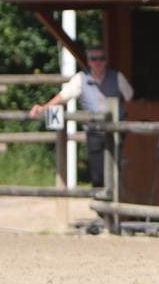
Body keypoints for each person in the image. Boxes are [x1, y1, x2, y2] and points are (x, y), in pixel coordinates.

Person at [30, 44, 133, 187]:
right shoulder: (81, 78)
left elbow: (129, 98)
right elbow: (63, 96)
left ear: (106, 60)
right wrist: (44, 107)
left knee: (115, 170)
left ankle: (115, 199)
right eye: (94, 58)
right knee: (98, 174)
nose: (98, 62)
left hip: (115, 131)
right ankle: (101, 200)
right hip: (94, 132)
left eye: (101, 58)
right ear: (89, 61)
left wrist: (123, 118)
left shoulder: (117, 77)